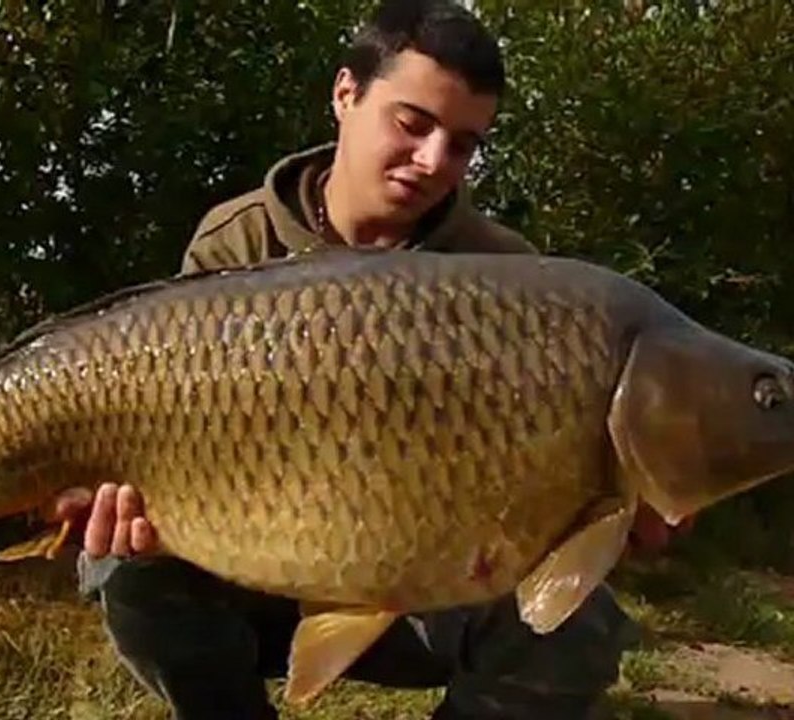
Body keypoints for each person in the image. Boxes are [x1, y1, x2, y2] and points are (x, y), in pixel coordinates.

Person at [54, 1, 689, 717]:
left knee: (581, 623)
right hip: (252, 568)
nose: (433, 162)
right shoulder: (235, 242)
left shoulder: (504, 275)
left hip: (425, 589)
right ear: (345, 94)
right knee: (123, 565)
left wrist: (607, 510)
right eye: (413, 124)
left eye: (462, 145)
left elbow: (554, 510)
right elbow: (167, 430)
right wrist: (122, 502)